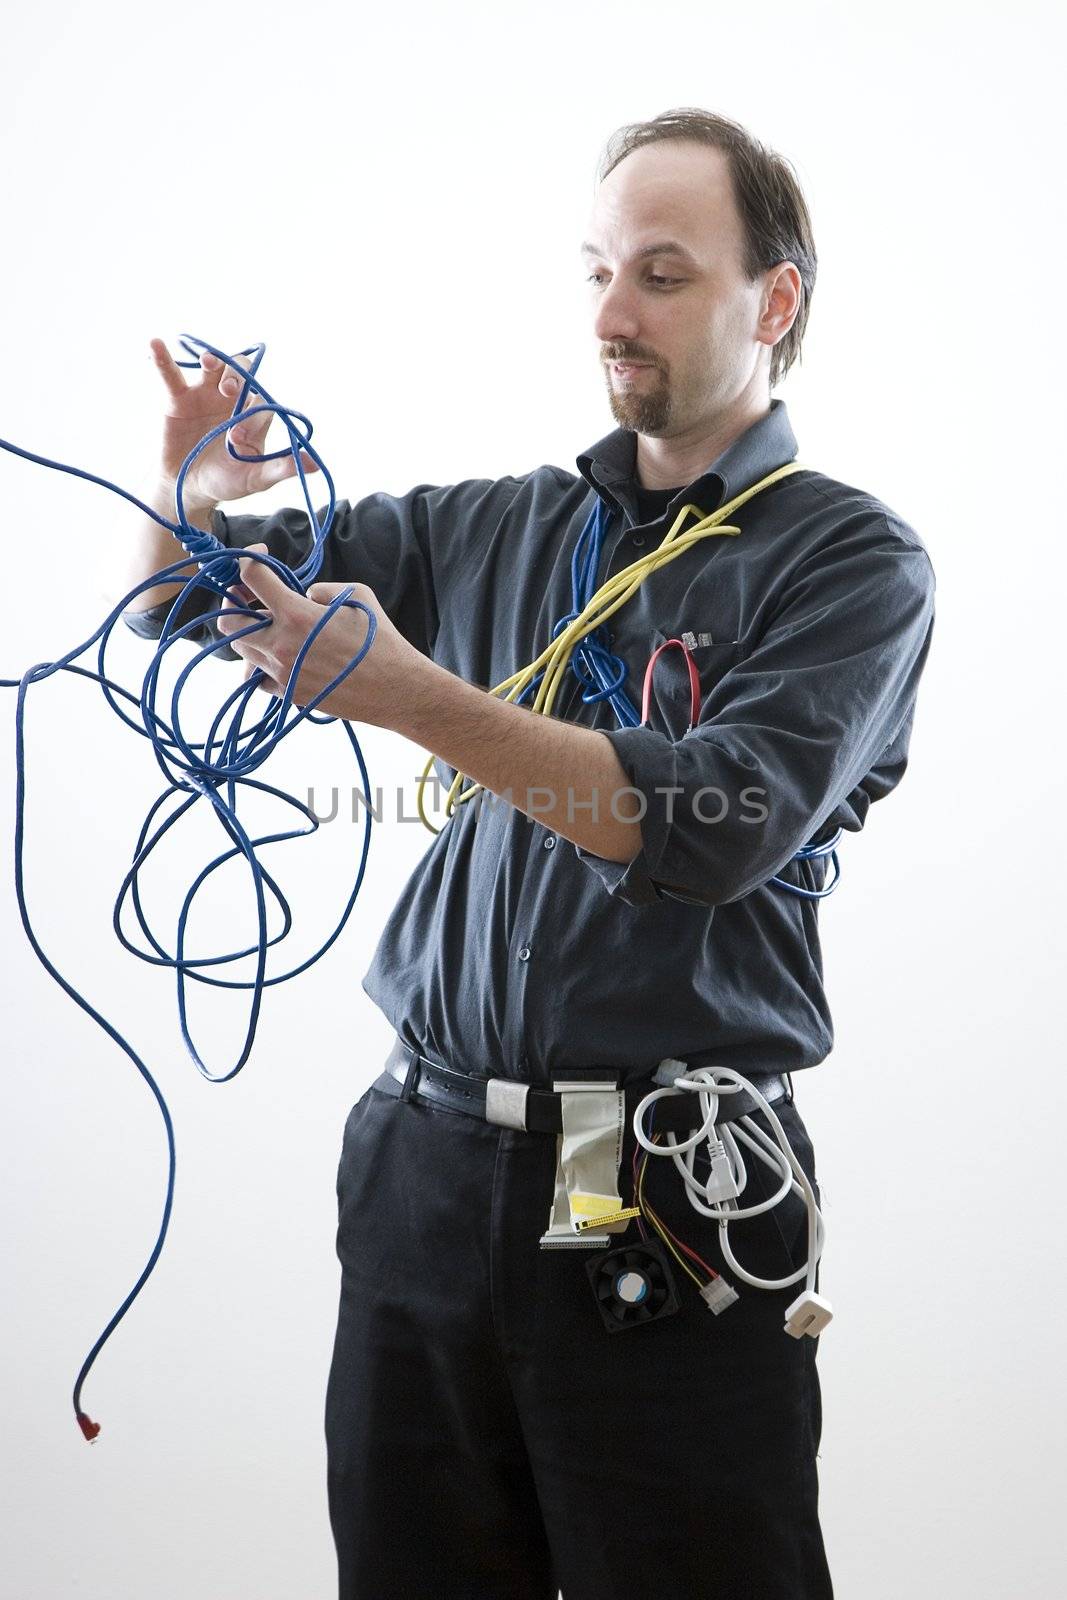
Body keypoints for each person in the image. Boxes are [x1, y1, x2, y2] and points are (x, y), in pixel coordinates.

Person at [120, 107, 935, 1600]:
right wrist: (192, 500)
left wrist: (407, 698)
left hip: (660, 1192)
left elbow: (714, 819)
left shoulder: (852, 565)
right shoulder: (498, 526)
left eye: (666, 274)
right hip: (418, 1172)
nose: (614, 314)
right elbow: (183, 607)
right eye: (598, 271)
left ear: (778, 300)